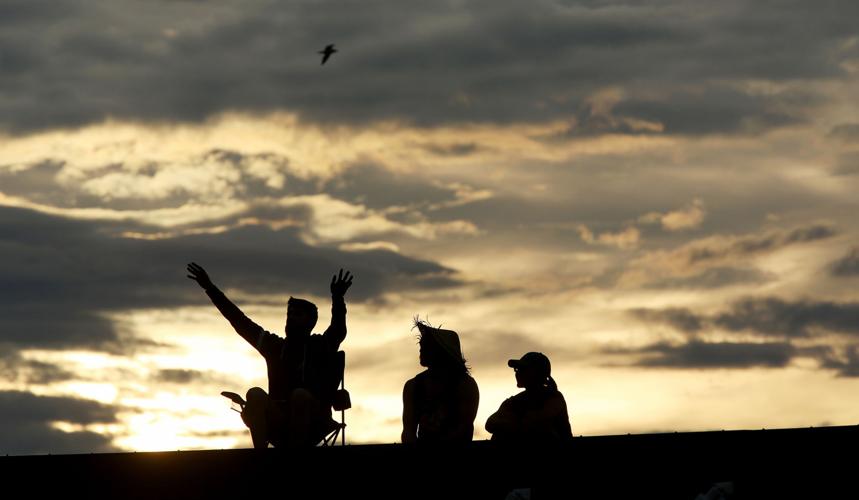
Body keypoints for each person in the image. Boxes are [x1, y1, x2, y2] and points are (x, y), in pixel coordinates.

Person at [186, 262, 353, 448]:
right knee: (255, 394)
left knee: (300, 396)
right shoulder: (274, 346)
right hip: (280, 420)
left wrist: (338, 299)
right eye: (289, 314)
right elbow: (239, 321)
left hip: (314, 420)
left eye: (297, 315)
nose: (290, 318)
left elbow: (338, 330)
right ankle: (261, 460)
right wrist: (210, 288)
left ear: (310, 321)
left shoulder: (320, 345)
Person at [401, 319, 479, 444]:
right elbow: (408, 432)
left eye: (427, 346)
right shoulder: (413, 386)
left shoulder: (465, 385)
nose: (421, 349)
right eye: (421, 345)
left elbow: (464, 429)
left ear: (442, 351)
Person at [486, 352, 572, 443]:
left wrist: (510, 421)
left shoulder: (555, 398)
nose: (517, 373)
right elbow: (490, 423)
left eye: (522, 369)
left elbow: (535, 422)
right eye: (517, 369)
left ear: (537, 373)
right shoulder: (515, 401)